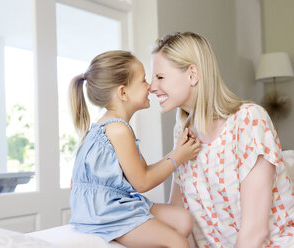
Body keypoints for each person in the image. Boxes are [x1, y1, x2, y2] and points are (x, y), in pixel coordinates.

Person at [150, 32, 294, 248]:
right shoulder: (182, 132)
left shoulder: (249, 120)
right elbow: (177, 213)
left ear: (192, 75)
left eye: (159, 77)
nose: (152, 87)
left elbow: (255, 231)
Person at [69, 50, 201, 248]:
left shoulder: (112, 126)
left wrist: (176, 152)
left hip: (114, 204)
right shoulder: (118, 130)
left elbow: (143, 172)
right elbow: (142, 183)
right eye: (144, 81)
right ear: (123, 92)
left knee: (183, 220)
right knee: (177, 243)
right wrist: (178, 158)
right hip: (106, 212)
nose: (150, 87)